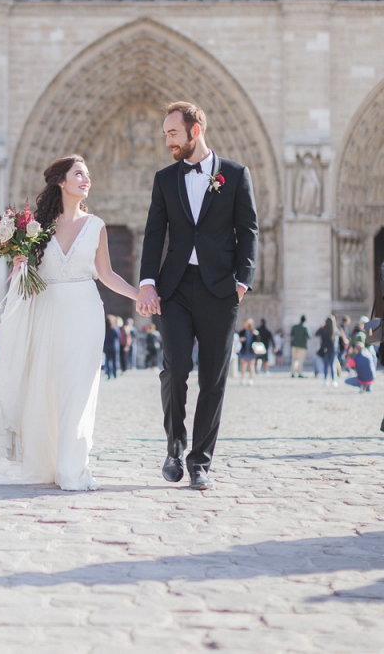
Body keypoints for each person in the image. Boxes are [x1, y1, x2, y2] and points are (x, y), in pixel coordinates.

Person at [0, 154, 138, 491]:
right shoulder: (37, 227)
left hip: (85, 312)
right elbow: (30, 272)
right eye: (78, 173)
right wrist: (19, 259)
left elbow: (106, 274)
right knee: (47, 389)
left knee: (79, 389)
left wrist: (138, 295)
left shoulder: (96, 225)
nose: (86, 179)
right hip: (47, 312)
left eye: (88, 174)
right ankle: (49, 462)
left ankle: (71, 467)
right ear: (61, 181)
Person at [137, 101, 258, 491]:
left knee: (214, 379)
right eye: (165, 135)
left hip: (221, 288)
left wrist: (243, 280)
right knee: (174, 370)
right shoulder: (164, 178)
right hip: (175, 288)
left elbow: (249, 230)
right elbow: (155, 233)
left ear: (195, 131)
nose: (168, 141)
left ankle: (200, 462)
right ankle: (175, 445)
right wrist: (147, 282)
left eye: (173, 134)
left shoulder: (236, 175)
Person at [316, 315, 339, 387]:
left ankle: (326, 380)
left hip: (325, 349)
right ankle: (334, 380)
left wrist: (321, 326)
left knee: (326, 365)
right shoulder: (335, 330)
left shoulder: (323, 329)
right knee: (332, 365)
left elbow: (316, 334)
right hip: (333, 350)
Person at [238, 318, 260, 386]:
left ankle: (251, 379)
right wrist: (241, 339)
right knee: (243, 365)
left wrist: (257, 335)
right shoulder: (242, 332)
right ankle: (242, 378)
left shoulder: (254, 332)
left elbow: (258, 341)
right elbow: (238, 339)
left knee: (251, 366)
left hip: (251, 351)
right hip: (244, 350)